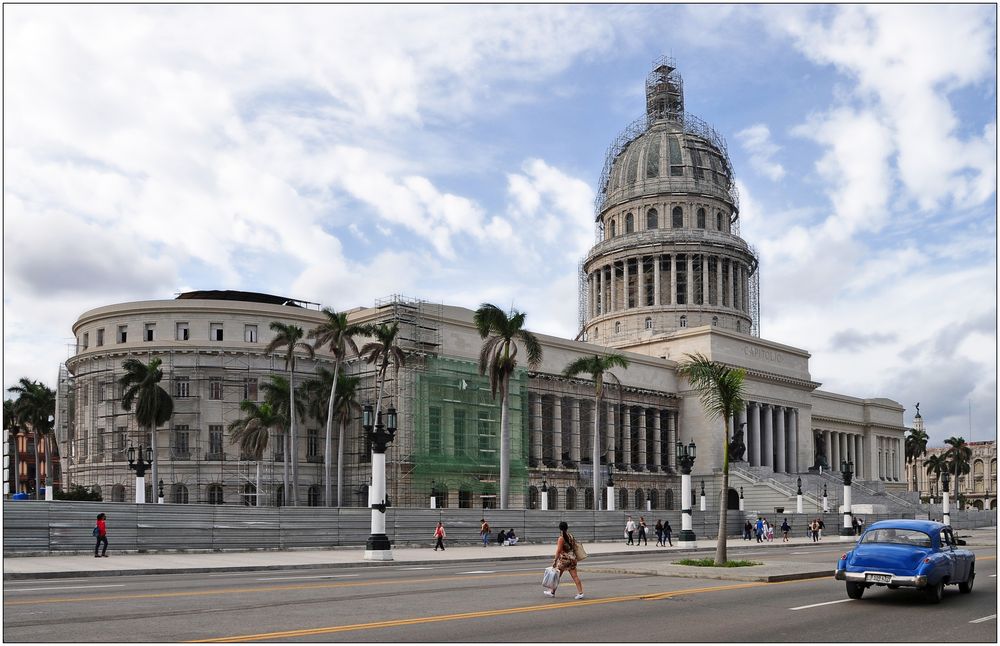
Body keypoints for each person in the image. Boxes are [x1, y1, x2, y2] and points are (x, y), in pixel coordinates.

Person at [544, 521, 585, 600]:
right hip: (572, 559)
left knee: (556, 576)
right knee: (575, 576)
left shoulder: (561, 538)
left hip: (564, 560)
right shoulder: (571, 536)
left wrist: (555, 561)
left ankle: (552, 592)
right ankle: (580, 593)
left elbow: (558, 551)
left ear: (559, 528)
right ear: (567, 528)